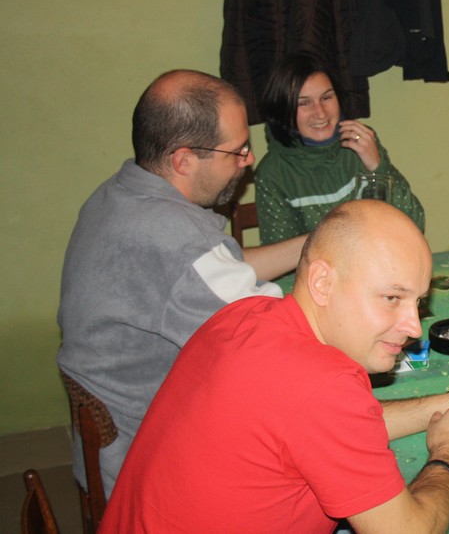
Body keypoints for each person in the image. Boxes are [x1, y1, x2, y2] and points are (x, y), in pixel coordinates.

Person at [101, 201, 449, 533]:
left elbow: (336, 427)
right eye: (391, 298)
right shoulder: (322, 384)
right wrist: (448, 454)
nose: (413, 326)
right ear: (323, 283)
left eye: (416, 302)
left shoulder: (245, 315)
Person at [57, 70, 307, 496]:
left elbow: (223, 267)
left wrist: (315, 242)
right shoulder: (174, 240)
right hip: (148, 467)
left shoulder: (123, 193)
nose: (248, 160)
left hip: (110, 442)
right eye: (238, 150)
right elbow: (281, 340)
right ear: (184, 160)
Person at [254, 51, 425, 244]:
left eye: (326, 98)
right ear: (283, 109)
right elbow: (281, 256)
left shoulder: (362, 141)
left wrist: (378, 167)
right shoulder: (273, 173)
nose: (320, 113)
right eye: (304, 103)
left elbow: (415, 224)